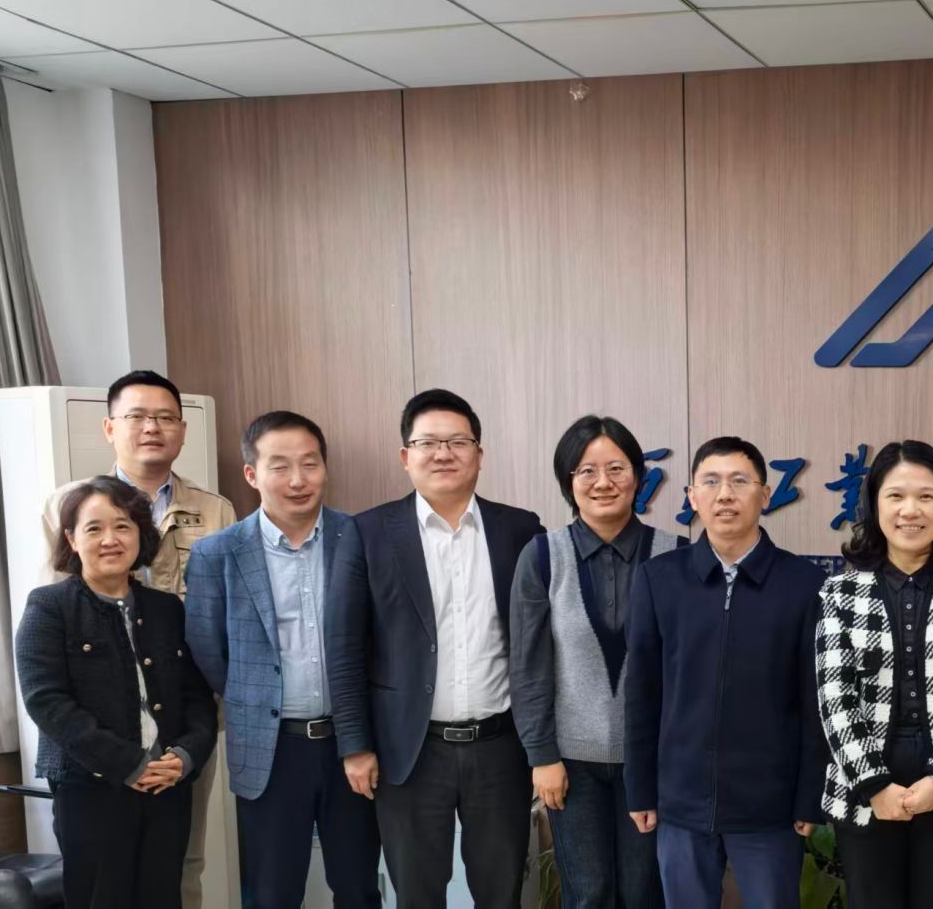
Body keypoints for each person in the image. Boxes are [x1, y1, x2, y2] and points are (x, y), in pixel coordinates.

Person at [327, 389, 545, 908]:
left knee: (502, 894)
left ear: (479, 454)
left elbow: (539, 647)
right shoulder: (368, 532)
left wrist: (541, 748)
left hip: (500, 748)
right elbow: (344, 647)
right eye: (428, 442)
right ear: (406, 456)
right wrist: (355, 745)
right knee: (417, 894)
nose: (443, 453)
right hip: (409, 750)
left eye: (457, 442)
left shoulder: (520, 529)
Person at [41, 369, 235, 908]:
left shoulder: (215, 510)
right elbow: (57, 612)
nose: (152, 427)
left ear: (182, 430)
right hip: (97, 724)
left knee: (181, 861)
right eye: (137, 416)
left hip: (185, 715)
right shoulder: (68, 502)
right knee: (104, 874)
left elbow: (225, 613)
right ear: (110, 427)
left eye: (166, 417)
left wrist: (194, 735)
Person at [185, 411, 380, 908]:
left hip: (351, 743)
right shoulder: (216, 554)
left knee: (359, 888)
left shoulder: (361, 537)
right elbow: (209, 651)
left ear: (325, 468)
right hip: (270, 749)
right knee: (273, 894)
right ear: (252, 474)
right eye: (280, 466)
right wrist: (256, 697)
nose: (297, 480)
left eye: (310, 464)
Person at [625, 437, 829, 909]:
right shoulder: (659, 579)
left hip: (770, 806)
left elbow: (814, 700)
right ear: (692, 497)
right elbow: (642, 694)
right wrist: (641, 789)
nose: (725, 495)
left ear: (765, 495)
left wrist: (809, 796)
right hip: (680, 801)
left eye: (740, 481)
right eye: (711, 482)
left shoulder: (805, 584)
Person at [510, 416, 686, 909]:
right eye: (586, 471)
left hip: (652, 761)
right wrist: (541, 756)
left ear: (638, 476)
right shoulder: (542, 557)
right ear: (568, 481)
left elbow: (687, 668)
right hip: (570, 764)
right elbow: (527, 667)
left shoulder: (676, 556)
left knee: (643, 893)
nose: (602, 482)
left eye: (616, 468)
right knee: (588, 894)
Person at [16, 477, 217, 909]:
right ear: (72, 539)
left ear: (140, 535)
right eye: (94, 529)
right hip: (91, 790)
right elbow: (46, 701)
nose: (110, 539)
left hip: (167, 787)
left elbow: (198, 698)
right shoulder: (49, 607)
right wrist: (129, 764)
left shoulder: (167, 609)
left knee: (164, 897)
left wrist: (185, 756)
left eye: (123, 526)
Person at [815, 441, 933, 909]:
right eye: (895, 496)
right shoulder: (840, 591)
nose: (910, 510)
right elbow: (835, 696)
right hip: (866, 780)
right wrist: (873, 785)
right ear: (874, 505)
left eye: (926, 496)